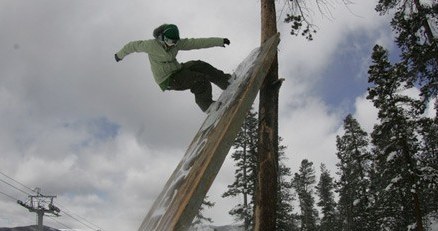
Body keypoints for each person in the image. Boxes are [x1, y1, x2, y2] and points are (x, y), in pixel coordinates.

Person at [115, 24, 231, 112]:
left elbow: (197, 43)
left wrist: (219, 41)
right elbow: (131, 46)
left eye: (175, 42)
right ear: (162, 38)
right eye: (170, 42)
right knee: (199, 80)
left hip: (177, 69)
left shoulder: (176, 43)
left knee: (199, 65)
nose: (172, 45)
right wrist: (119, 55)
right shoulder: (150, 45)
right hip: (167, 79)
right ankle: (208, 106)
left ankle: (225, 81)